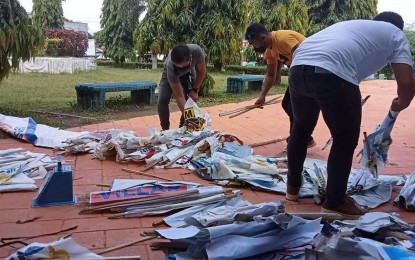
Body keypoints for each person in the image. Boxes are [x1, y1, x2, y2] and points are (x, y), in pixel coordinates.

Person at [287, 12, 415, 218]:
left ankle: (292, 189)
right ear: (398, 27)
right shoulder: (395, 34)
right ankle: (335, 201)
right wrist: (403, 102)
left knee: (300, 130)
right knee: (344, 140)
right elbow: (406, 82)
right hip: (333, 72)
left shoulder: (351, 24)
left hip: (297, 69)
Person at [244, 23, 316, 148]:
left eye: (253, 43)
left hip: (312, 69)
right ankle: (304, 137)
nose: (253, 47)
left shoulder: (283, 38)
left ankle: (298, 140)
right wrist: (263, 95)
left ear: (262, 37)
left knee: (294, 106)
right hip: (300, 72)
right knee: (287, 104)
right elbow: (271, 75)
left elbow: (303, 55)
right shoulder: (269, 51)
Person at [158, 44, 207, 130]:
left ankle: (183, 126)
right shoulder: (171, 66)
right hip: (172, 73)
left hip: (190, 71)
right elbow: (179, 96)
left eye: (184, 66)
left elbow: (202, 70)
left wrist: (195, 89)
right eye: (179, 66)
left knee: (191, 99)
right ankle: (165, 129)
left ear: (190, 58)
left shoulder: (197, 52)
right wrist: (192, 119)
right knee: (163, 99)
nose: (181, 68)